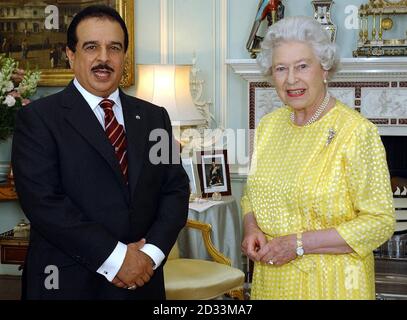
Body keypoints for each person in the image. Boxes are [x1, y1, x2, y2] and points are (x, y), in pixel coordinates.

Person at [11, 5, 190, 300]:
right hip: (68, 284)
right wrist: (120, 259)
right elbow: (45, 204)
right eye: (91, 47)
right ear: (71, 55)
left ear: (124, 56)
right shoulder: (39, 119)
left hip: (142, 283)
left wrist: (150, 255)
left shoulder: (154, 117)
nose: (103, 58)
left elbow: (175, 190)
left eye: (114, 48)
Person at [241, 16, 395, 300]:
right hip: (273, 282)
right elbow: (252, 195)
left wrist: (298, 244)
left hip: (333, 284)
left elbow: (380, 221)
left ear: (324, 68)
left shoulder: (356, 132)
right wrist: (252, 227)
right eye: (281, 68)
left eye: (302, 66)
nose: (291, 79)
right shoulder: (268, 127)